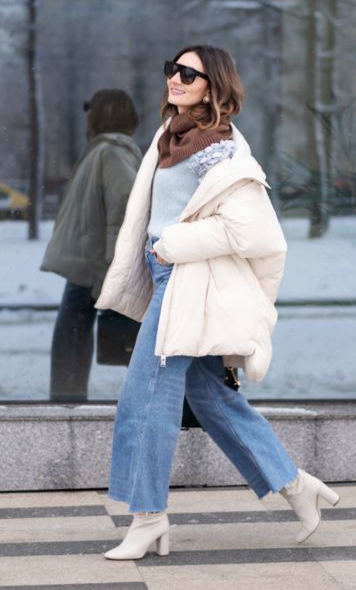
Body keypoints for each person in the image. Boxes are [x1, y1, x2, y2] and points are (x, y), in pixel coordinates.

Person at [95, 45, 340, 560]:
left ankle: (148, 517)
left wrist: (174, 245)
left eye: (189, 73)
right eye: (172, 69)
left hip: (187, 282)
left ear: (213, 85)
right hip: (168, 277)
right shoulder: (171, 136)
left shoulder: (221, 149)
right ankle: (296, 485)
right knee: (210, 398)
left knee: (144, 397)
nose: (176, 79)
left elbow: (250, 231)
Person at [41, 89, 142, 402]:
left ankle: (65, 409)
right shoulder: (105, 150)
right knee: (72, 340)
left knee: (71, 340)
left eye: (90, 107)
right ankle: (67, 406)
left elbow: (124, 209)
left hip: (94, 267)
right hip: (90, 264)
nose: (86, 113)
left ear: (104, 112)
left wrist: (114, 271)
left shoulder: (111, 152)